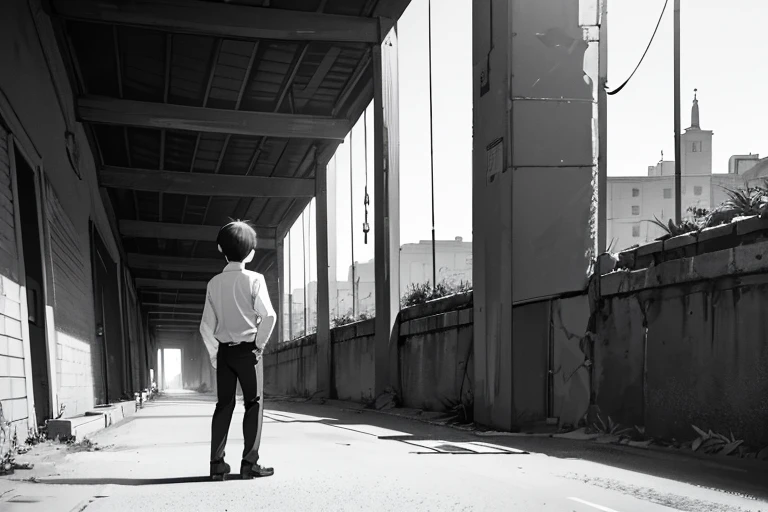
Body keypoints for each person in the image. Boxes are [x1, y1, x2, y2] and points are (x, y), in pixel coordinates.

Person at [199, 220, 276, 481]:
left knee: (224, 406)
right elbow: (269, 317)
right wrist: (259, 346)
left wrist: (214, 356)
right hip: (249, 352)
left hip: (224, 353)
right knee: (253, 404)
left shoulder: (213, 283)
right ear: (252, 252)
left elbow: (206, 326)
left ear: (221, 248)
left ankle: (216, 465)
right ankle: (249, 464)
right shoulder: (255, 280)